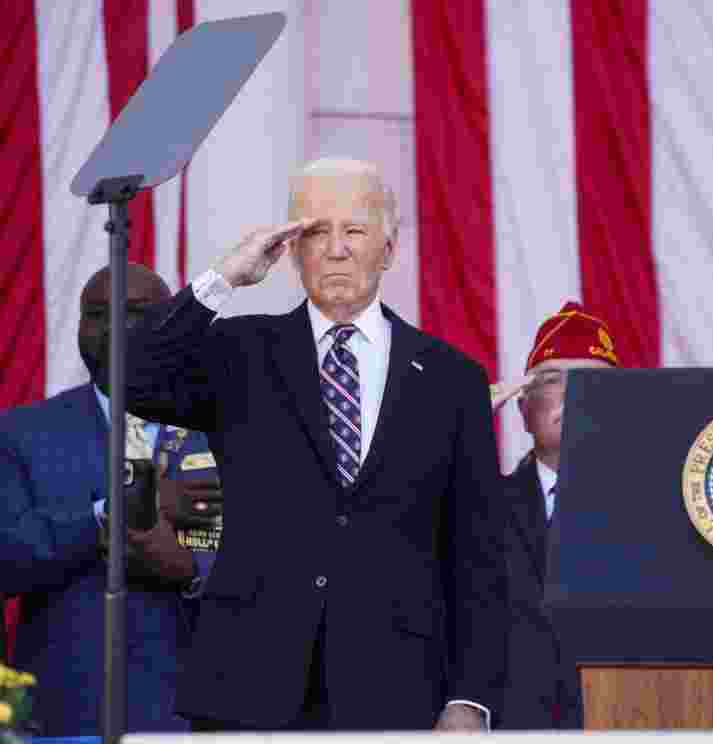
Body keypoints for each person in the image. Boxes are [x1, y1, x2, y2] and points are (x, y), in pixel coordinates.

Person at [105, 158, 508, 731]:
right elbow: (131, 375)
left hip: (394, 689)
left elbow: (477, 560)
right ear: (292, 250)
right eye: (317, 232)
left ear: (388, 251)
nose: (337, 249)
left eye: (356, 231)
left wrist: (469, 699)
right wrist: (225, 278)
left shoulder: (450, 379)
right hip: (249, 687)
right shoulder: (241, 352)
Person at [0, 264, 219, 735]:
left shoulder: (230, 429)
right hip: (64, 712)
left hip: (198, 715)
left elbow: (280, 563)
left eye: (139, 313)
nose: (117, 326)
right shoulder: (22, 434)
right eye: (97, 313)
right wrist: (115, 512)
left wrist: (189, 572)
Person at [492, 301, 619, 729]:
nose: (575, 393)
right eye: (554, 379)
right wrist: (453, 427)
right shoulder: (480, 507)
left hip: (627, 721)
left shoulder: (663, 512)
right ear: (522, 408)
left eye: (592, 381)